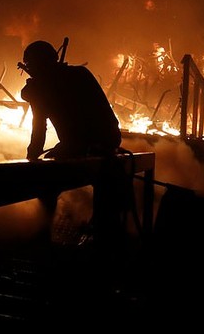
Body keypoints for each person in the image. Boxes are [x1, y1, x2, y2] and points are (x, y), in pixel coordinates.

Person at [19, 39, 128, 250]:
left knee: (46, 179)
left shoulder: (42, 88)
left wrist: (31, 161)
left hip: (87, 143)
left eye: (30, 66)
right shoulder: (80, 74)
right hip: (108, 138)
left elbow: (38, 131)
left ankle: (42, 232)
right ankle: (102, 230)